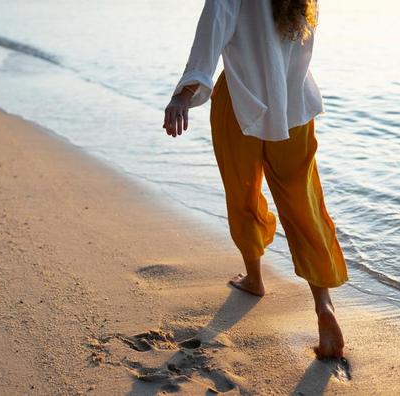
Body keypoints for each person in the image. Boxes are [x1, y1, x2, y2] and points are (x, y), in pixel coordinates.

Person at [163, 0, 348, 359]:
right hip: (294, 106)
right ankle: (323, 305)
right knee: (303, 202)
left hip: (239, 101)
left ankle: (255, 278)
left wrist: (181, 97)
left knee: (243, 191)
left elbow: (209, 42)